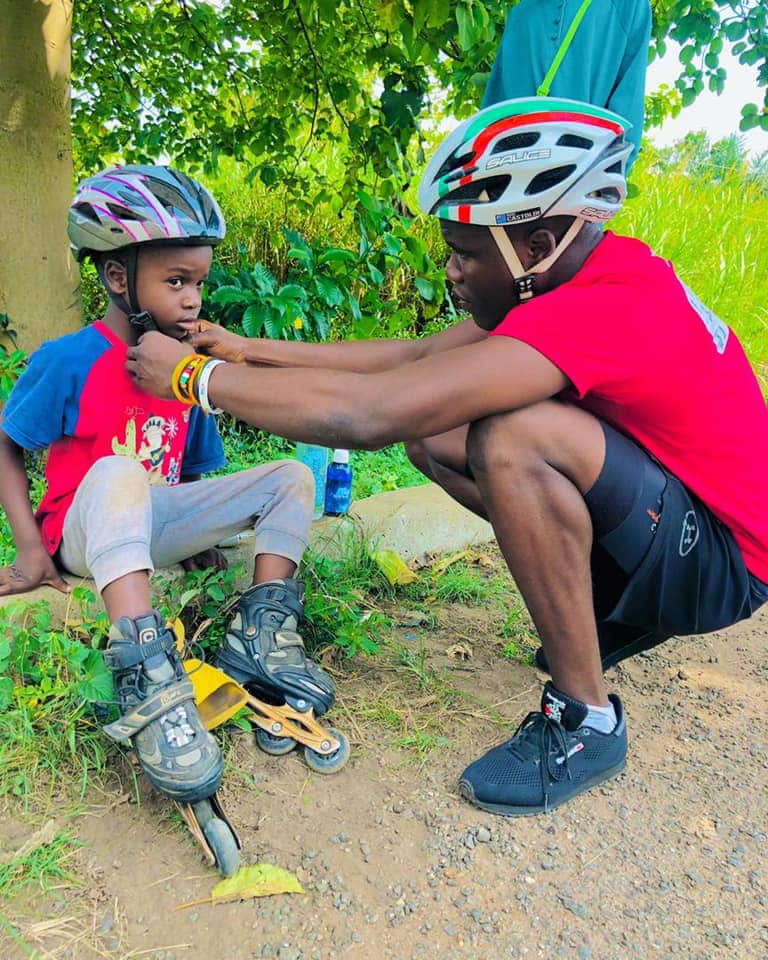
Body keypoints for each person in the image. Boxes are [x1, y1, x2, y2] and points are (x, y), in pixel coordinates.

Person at [125, 99, 768, 818]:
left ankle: (588, 722)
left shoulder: (606, 309)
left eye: (465, 252)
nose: (453, 271)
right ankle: (610, 609)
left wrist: (194, 379)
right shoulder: (578, 272)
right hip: (676, 520)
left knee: (513, 437)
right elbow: (418, 359)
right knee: (434, 434)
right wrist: (251, 351)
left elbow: (368, 415)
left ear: (538, 240)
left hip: (723, 564)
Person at [0, 165, 335, 812]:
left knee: (292, 476)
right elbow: (7, 445)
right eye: (176, 281)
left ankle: (261, 631)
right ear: (118, 277)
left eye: (199, 283)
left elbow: (193, 473)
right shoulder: (69, 360)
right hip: (82, 534)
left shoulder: (188, 374)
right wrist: (29, 551)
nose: (192, 301)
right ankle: (148, 674)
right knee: (122, 473)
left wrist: (201, 538)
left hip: (151, 529)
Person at [482, 0, 652, 172]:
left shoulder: (627, 5)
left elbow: (627, 113)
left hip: (575, 177)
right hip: (513, 176)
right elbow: (490, 117)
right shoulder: (522, 13)